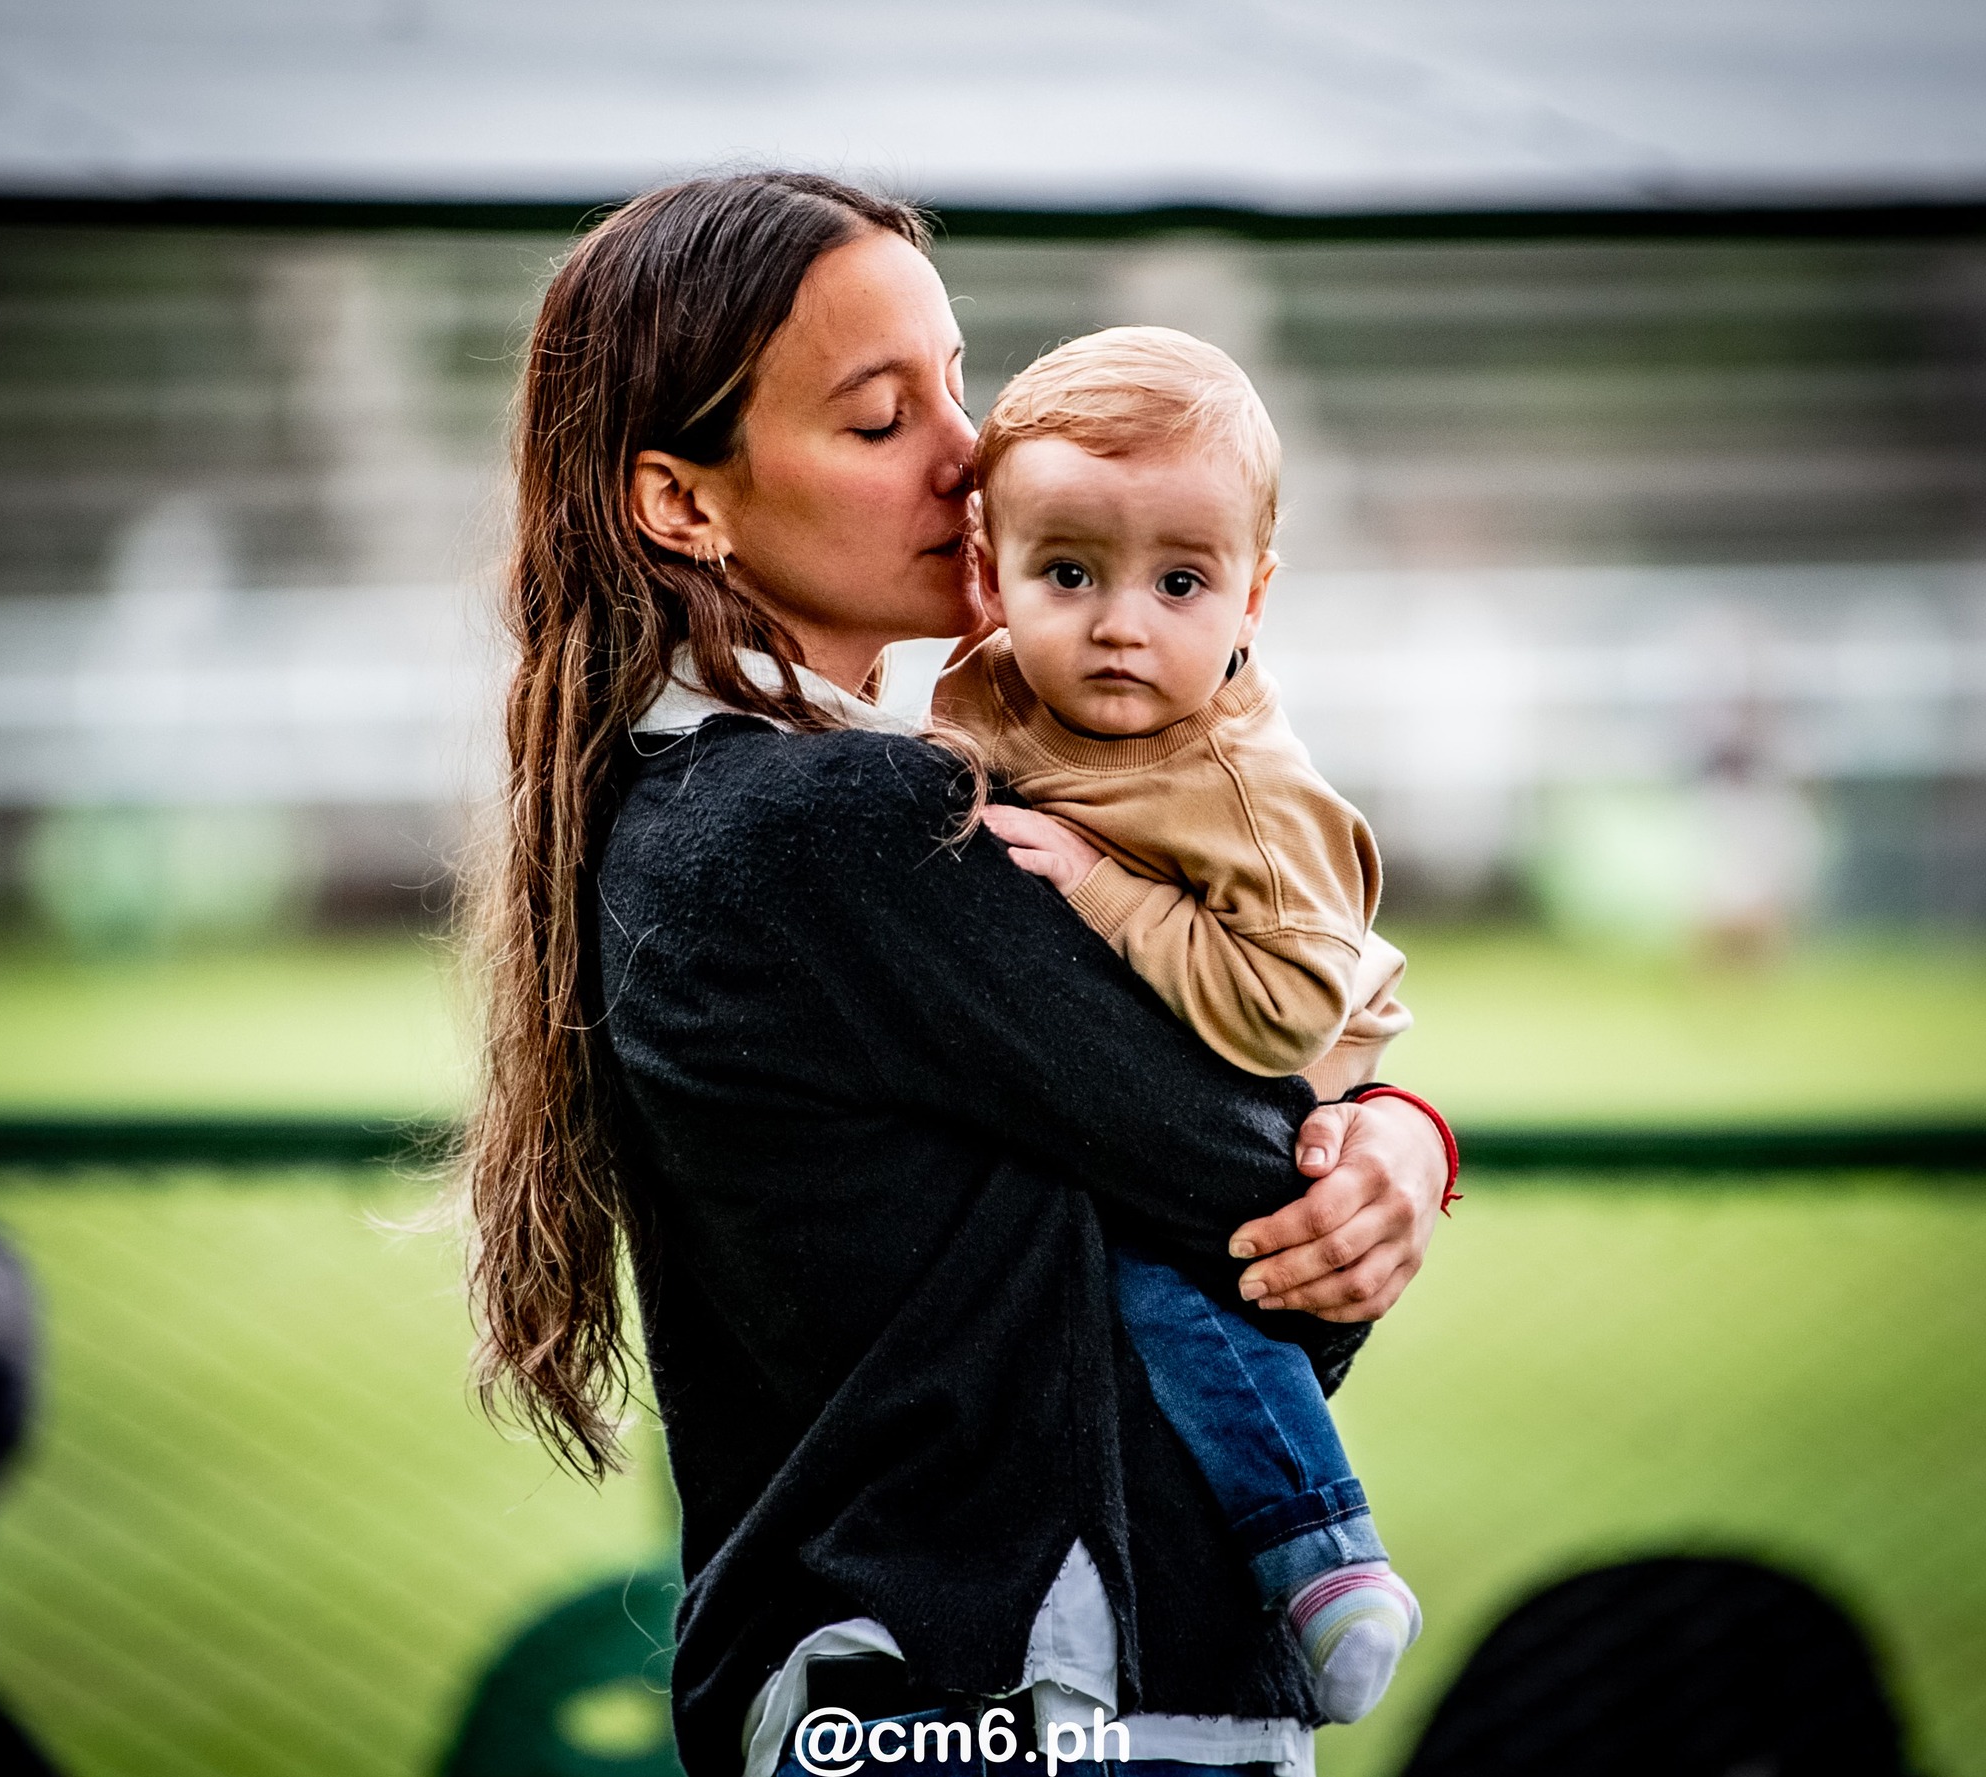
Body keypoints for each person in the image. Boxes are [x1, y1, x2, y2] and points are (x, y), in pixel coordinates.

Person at [461, 171, 1454, 1777]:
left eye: (953, 380)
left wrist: (1397, 1128)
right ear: (681, 503)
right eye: (876, 420)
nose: (964, 452)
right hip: (1018, 1701)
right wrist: (1392, 1129)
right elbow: (1253, 1196)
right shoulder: (836, 821)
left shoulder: (703, 804)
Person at [936, 327, 1438, 1724]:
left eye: (1179, 582)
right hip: (1166, 1066)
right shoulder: (999, 691)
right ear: (991, 571)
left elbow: (1282, 1010)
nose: (1118, 624)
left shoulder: (1244, 790)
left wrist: (1098, 887)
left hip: (1292, 1057)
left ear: (1252, 596)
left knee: (1162, 1273)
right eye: (1067, 573)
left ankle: (1322, 1551)